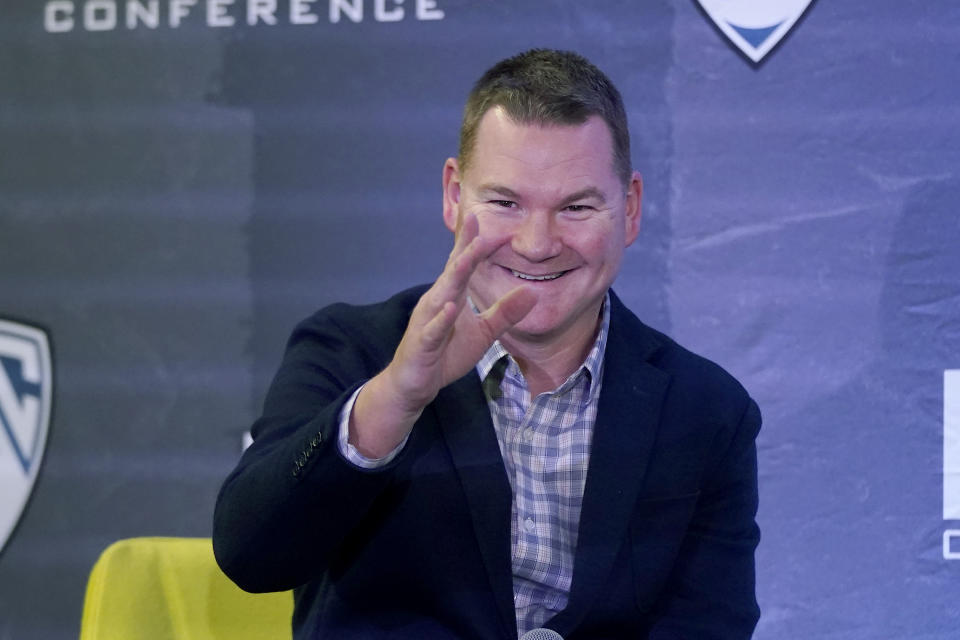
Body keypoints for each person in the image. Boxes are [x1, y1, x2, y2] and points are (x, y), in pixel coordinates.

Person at [213, 49, 761, 640]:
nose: (536, 243)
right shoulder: (351, 349)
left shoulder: (706, 412)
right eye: (504, 203)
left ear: (628, 209)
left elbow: (709, 626)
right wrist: (396, 398)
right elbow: (252, 557)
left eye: (576, 207)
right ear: (454, 195)